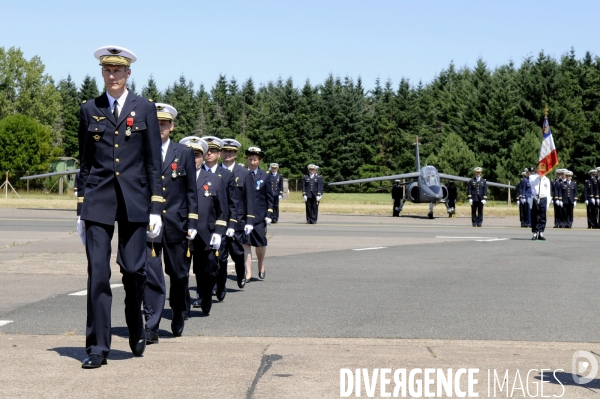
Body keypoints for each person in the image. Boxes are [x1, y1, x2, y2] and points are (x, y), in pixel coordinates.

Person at [76, 46, 163, 368]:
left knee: (133, 270)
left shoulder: (145, 109)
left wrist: (156, 206)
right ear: (102, 73)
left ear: (128, 74)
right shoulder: (90, 109)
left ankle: (136, 325)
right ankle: (97, 347)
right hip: (98, 200)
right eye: (107, 70)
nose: (112, 76)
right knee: (98, 273)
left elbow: (153, 161)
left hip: (136, 200)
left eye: (118, 71)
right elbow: (85, 162)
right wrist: (80, 207)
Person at [141, 104, 197, 343]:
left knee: (178, 274)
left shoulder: (183, 152)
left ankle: (177, 311)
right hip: (150, 222)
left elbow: (191, 190)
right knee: (151, 274)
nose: (160, 128)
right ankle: (151, 324)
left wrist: (192, 220)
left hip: (177, 222)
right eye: (157, 123)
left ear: (172, 126)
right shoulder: (142, 149)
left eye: (165, 123)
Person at [184, 136, 228, 316]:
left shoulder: (214, 179)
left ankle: (205, 297)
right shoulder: (177, 177)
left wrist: (218, 232)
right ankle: (182, 306)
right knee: (180, 273)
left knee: (207, 271)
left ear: (202, 157)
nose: (193, 159)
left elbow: (222, 210)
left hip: (205, 233)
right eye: (189, 155)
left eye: (197, 155)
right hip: (183, 233)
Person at [197, 136, 236, 303]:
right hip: (202, 225)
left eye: (213, 151)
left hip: (220, 224)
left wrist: (231, 224)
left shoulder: (226, 175)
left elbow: (232, 203)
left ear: (219, 154)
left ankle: (220, 284)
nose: (210, 153)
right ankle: (203, 293)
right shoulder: (196, 173)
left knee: (220, 259)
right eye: (208, 150)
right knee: (201, 264)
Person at [220, 138, 255, 288]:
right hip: (218, 219)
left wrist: (250, 220)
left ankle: (240, 272)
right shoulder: (214, 170)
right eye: (225, 151)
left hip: (238, 220)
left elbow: (250, 198)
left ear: (236, 153)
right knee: (219, 254)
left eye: (231, 152)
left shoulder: (244, 173)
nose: (227, 154)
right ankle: (218, 284)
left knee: (237, 252)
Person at [245, 147, 274, 280]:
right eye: (250, 159)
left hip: (260, 215)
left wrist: (269, 213)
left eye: (255, 160)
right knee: (246, 244)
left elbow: (269, 196)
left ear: (259, 161)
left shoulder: (264, 176)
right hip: (245, 215)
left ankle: (261, 264)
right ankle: (248, 272)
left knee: (260, 243)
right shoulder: (243, 174)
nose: (252, 162)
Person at [529, 167, 551, 240]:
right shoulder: (534, 178)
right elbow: (532, 187)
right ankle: (535, 232)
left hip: (543, 198)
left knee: (542, 216)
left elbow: (548, 192)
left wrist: (547, 203)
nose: (540, 172)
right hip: (535, 198)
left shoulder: (546, 180)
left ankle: (541, 232)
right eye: (539, 170)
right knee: (534, 216)